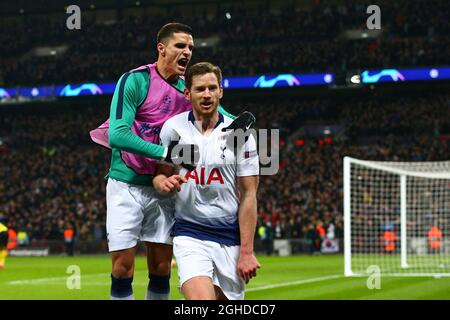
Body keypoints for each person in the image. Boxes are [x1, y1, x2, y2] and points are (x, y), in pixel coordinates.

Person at [88, 23, 242, 300]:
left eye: (191, 48)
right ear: (162, 48)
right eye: (180, 46)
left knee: (161, 268)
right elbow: (117, 134)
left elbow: (224, 114)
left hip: (166, 186)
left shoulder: (187, 89)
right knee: (123, 268)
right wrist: (167, 154)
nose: (187, 52)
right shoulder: (135, 80)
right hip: (126, 182)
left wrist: (249, 129)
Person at [154, 62, 261, 300]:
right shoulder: (173, 129)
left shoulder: (240, 135)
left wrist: (246, 252)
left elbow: (249, 194)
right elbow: (160, 174)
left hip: (229, 237)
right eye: (200, 89)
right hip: (189, 232)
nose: (207, 94)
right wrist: (162, 182)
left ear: (221, 91)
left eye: (212, 88)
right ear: (187, 93)